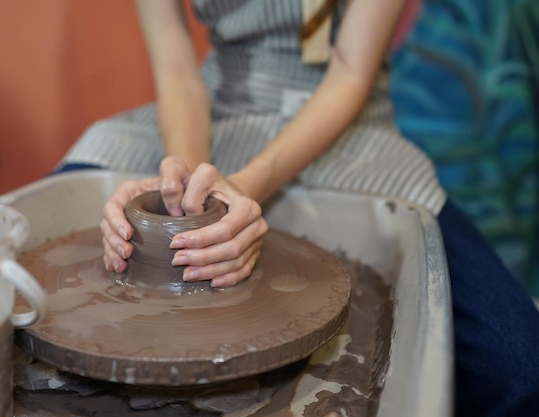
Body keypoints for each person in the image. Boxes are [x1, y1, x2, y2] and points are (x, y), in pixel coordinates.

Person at [57, 1, 539, 416]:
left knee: (518, 371)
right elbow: (176, 68)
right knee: (22, 252)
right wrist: (188, 179)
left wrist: (245, 183)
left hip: (348, 124)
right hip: (211, 108)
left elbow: (350, 71)